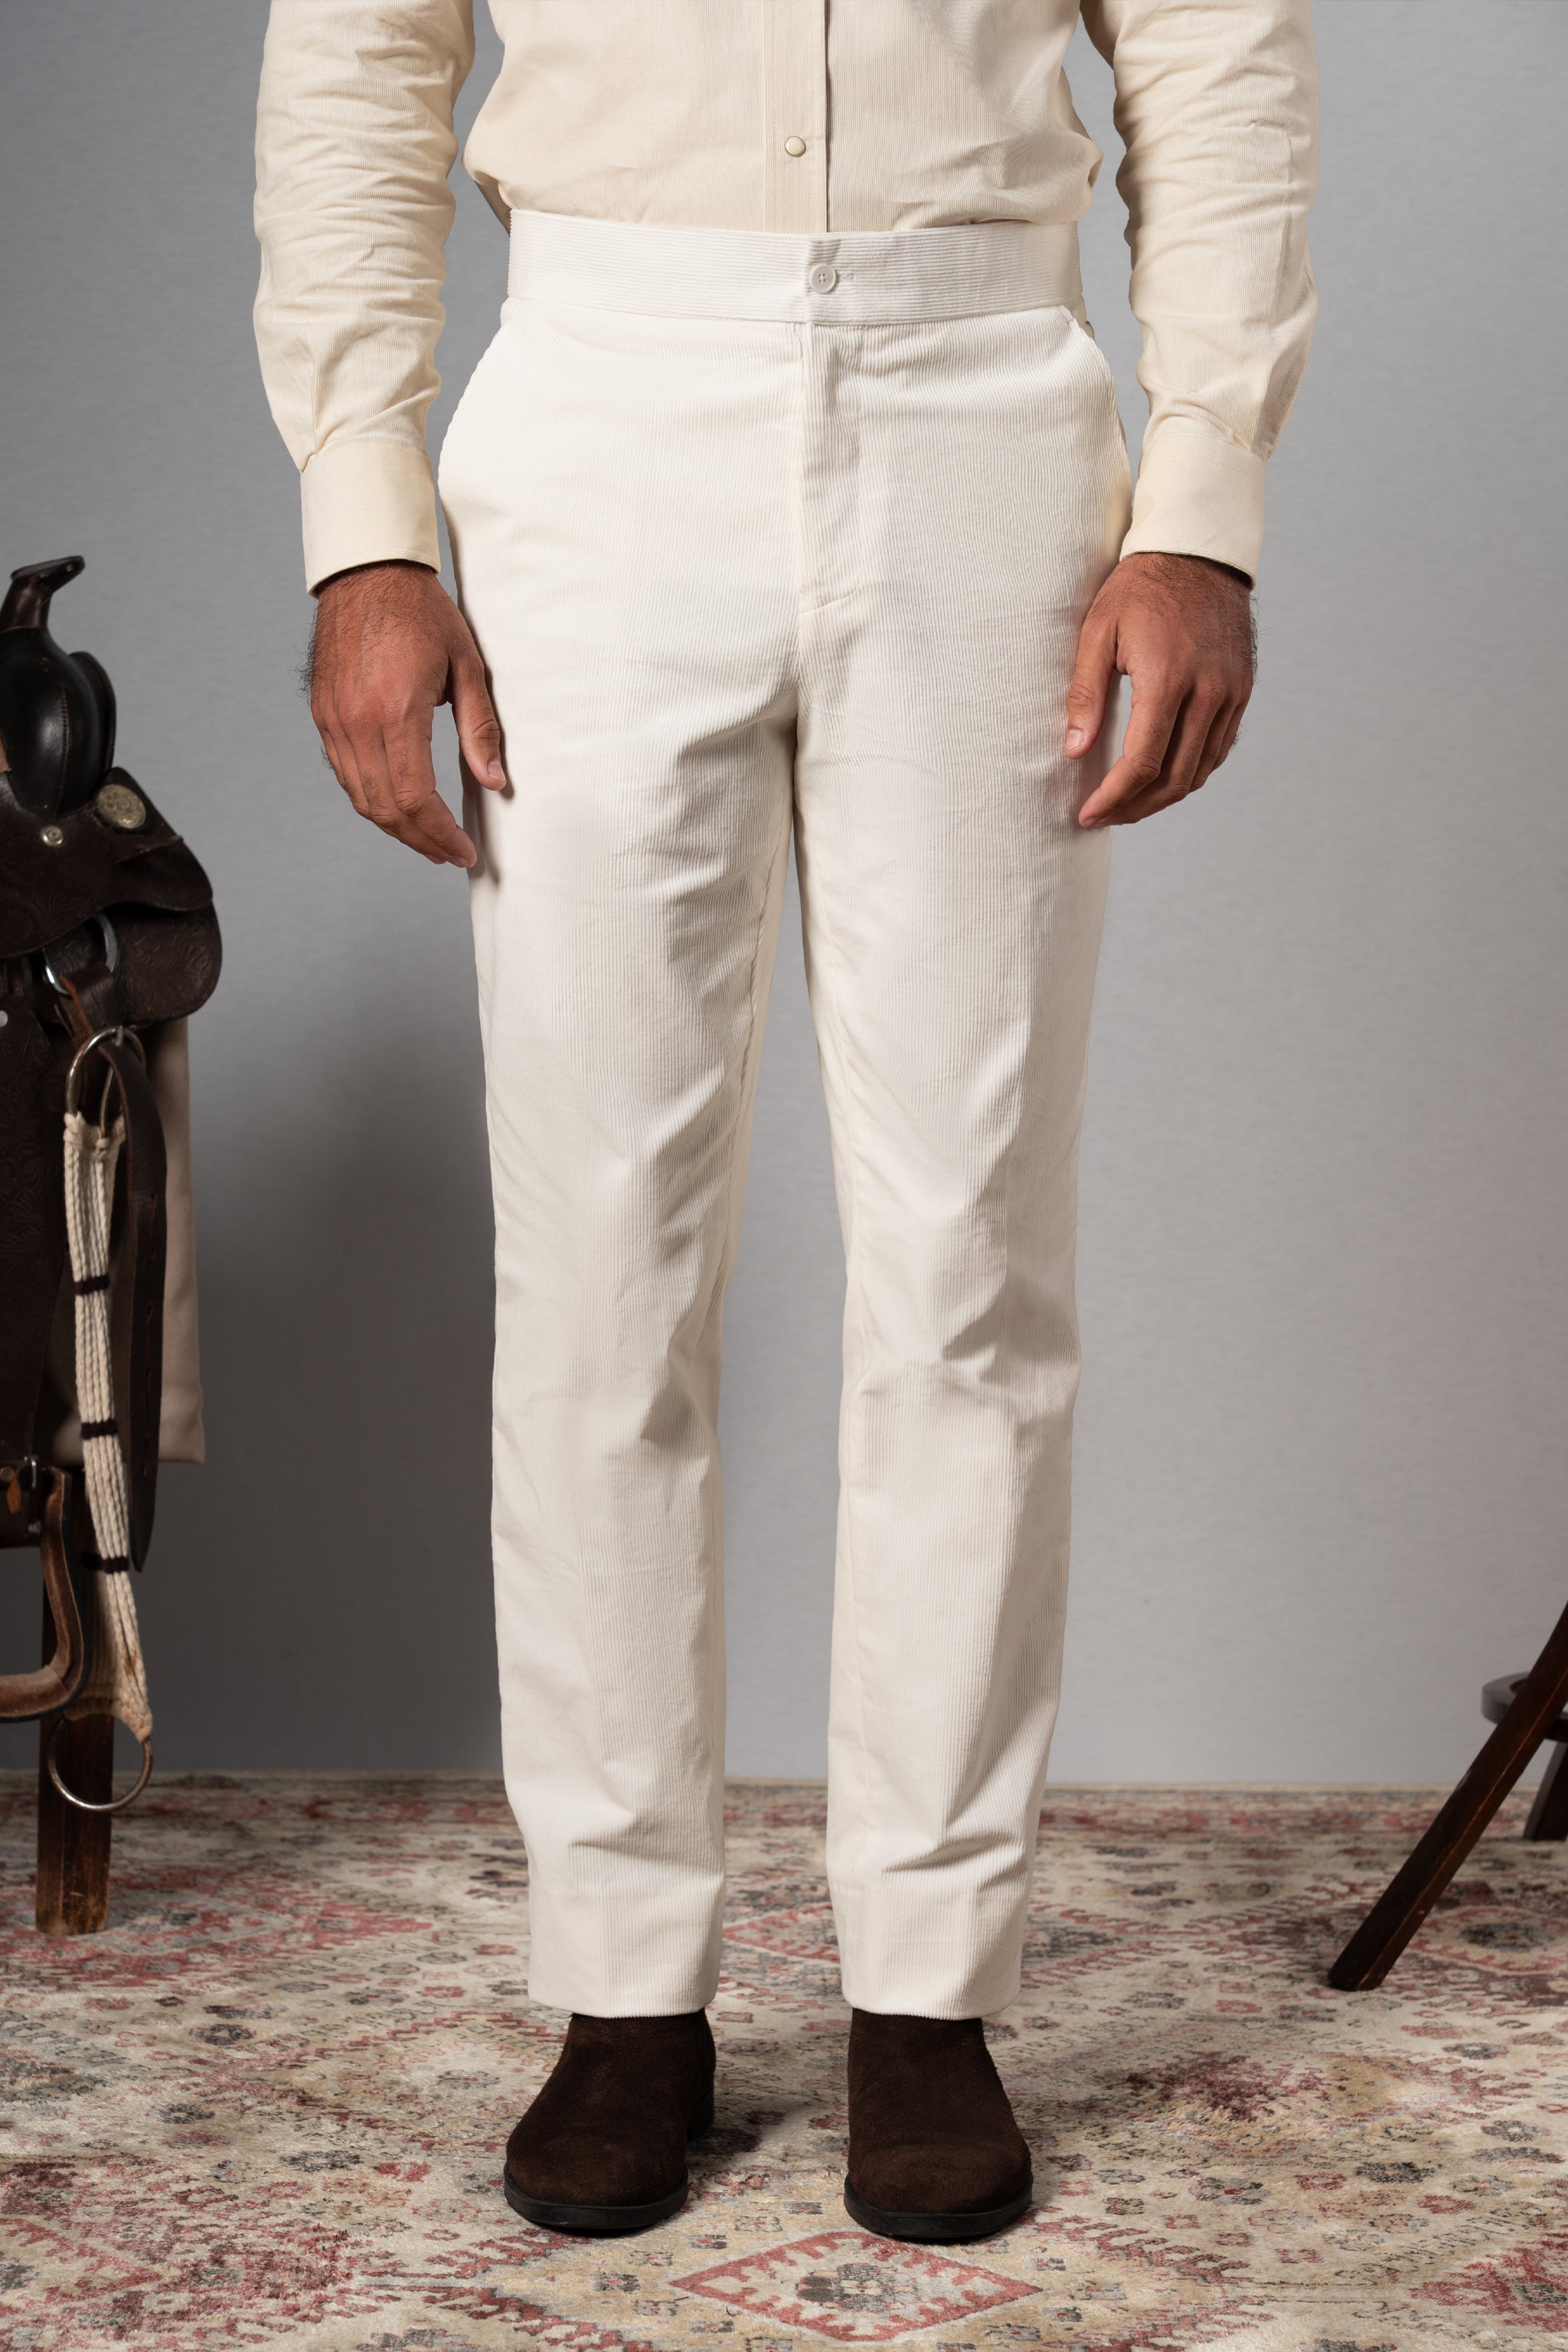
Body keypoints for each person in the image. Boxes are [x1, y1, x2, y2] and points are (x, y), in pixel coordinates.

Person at [254, 0, 1317, 2245]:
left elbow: (1216, 45)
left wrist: (1205, 499)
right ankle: (622, 1985)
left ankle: (930, 1986)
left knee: (971, 1267)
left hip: (989, 410)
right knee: (596, 1277)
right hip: (599, 414)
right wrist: (365, 526)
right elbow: (357, 49)